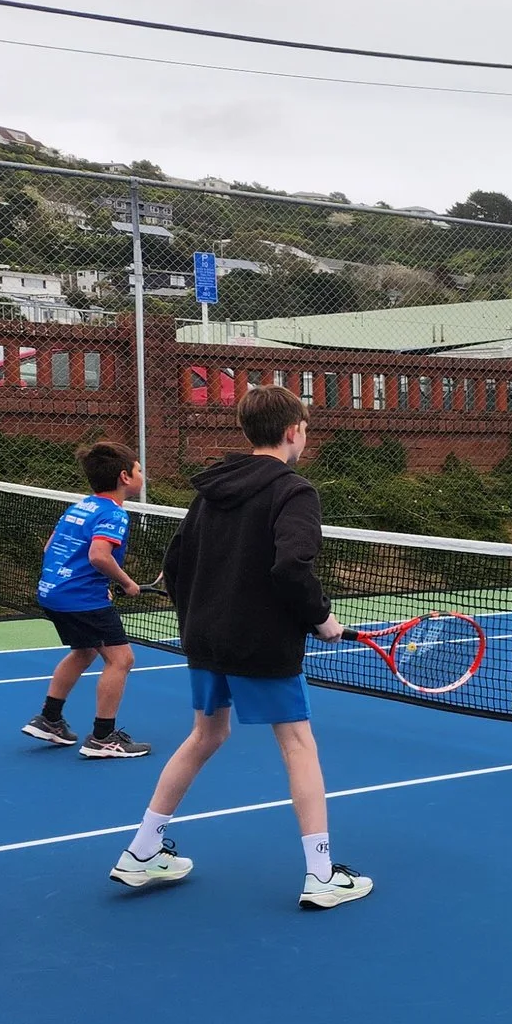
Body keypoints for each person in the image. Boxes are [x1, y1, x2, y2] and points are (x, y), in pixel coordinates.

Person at [109, 384, 374, 908]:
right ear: (294, 431)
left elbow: (176, 567)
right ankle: (321, 875)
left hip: (206, 639)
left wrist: (204, 621)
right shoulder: (294, 491)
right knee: (298, 744)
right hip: (260, 645)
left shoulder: (210, 490)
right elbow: (291, 567)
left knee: (205, 736)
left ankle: (142, 852)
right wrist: (321, 619)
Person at [20, 440, 153, 758]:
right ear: (124, 477)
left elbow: (50, 547)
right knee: (121, 660)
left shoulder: (80, 506)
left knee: (83, 652)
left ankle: (49, 719)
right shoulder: (114, 514)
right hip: (80, 598)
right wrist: (126, 581)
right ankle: (103, 738)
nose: (142, 474)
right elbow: (98, 555)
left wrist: (93, 582)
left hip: (54, 592)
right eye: (138, 469)